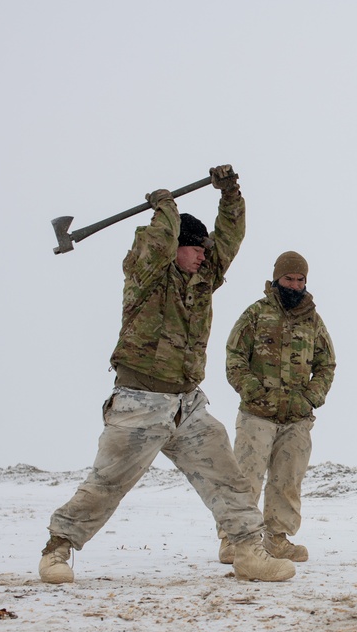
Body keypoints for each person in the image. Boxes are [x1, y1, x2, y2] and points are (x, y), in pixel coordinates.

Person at [39, 166, 296, 584]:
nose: (201, 255)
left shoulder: (202, 281)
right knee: (107, 484)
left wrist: (231, 193)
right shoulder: (146, 277)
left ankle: (249, 549)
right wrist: (166, 209)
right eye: (193, 248)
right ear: (174, 246)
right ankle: (57, 550)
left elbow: (229, 238)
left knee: (227, 476)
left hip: (186, 405)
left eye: (202, 250)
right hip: (140, 402)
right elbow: (155, 244)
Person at [217, 251, 336, 565]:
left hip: (296, 419)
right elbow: (234, 358)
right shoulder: (256, 314)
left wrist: (311, 397)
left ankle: (277, 540)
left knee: (288, 481)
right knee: (245, 478)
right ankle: (234, 540)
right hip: (257, 415)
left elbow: (327, 365)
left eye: (300, 280)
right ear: (277, 279)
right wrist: (254, 391)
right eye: (289, 278)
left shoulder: (314, 322)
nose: (294, 285)